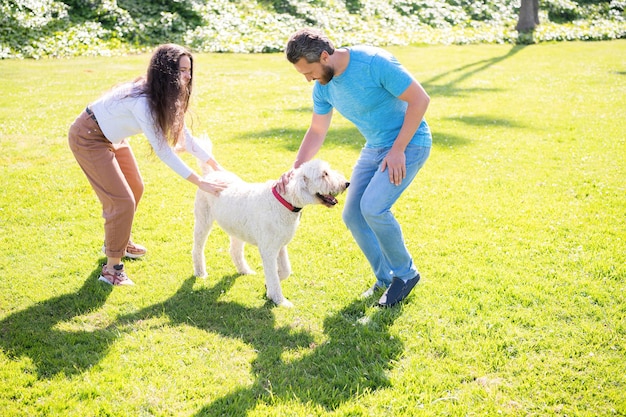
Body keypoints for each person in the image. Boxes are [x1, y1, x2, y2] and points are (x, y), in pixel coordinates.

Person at [278, 28, 432, 307]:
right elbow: (316, 130)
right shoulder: (322, 87)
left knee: (373, 207)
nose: (308, 79)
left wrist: (398, 150)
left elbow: (420, 99)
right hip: (375, 147)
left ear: (325, 56)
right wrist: (296, 168)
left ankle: (406, 275)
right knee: (352, 215)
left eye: (308, 72)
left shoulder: (374, 63)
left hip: (409, 143)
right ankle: (385, 279)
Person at [68, 43, 228, 286]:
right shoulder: (143, 101)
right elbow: (164, 151)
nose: (188, 76)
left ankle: (119, 240)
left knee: (135, 187)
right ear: (165, 72)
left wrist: (215, 165)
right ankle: (112, 270)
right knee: (122, 201)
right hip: (89, 137)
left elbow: (184, 137)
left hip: (111, 136)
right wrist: (200, 181)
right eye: (181, 70)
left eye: (189, 70)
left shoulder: (168, 95)